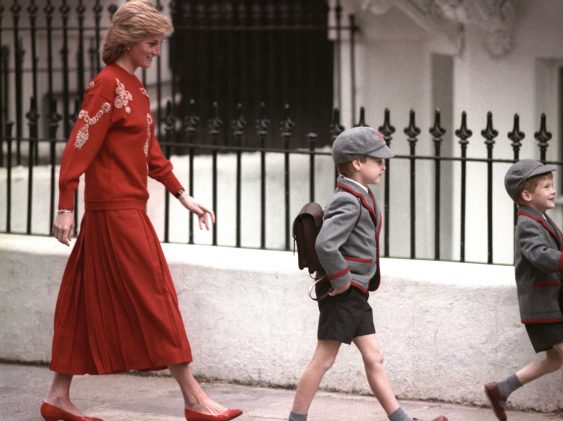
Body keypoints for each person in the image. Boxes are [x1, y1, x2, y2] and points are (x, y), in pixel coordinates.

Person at [42, 2, 242, 421]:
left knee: (81, 301)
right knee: (157, 297)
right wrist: (65, 206)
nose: (157, 51)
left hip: (123, 210)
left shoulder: (136, 89)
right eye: (152, 43)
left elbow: (150, 152)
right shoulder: (106, 85)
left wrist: (182, 194)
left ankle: (57, 397)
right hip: (115, 214)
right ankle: (194, 399)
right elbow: (79, 145)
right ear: (130, 40)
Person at [288, 127, 447, 421]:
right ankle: (296, 419)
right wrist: (342, 278)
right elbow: (326, 244)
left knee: (374, 357)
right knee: (323, 360)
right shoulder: (347, 199)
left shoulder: (360, 194)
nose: (384, 165)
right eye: (378, 160)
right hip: (343, 292)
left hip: (355, 292)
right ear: (357, 163)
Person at [483, 159, 563, 421]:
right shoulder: (526, 223)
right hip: (541, 305)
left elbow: (551, 251)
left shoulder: (540, 219)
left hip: (550, 302)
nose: (553, 190)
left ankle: (501, 389)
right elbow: (539, 255)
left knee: (555, 359)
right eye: (547, 186)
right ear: (527, 195)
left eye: (552, 185)